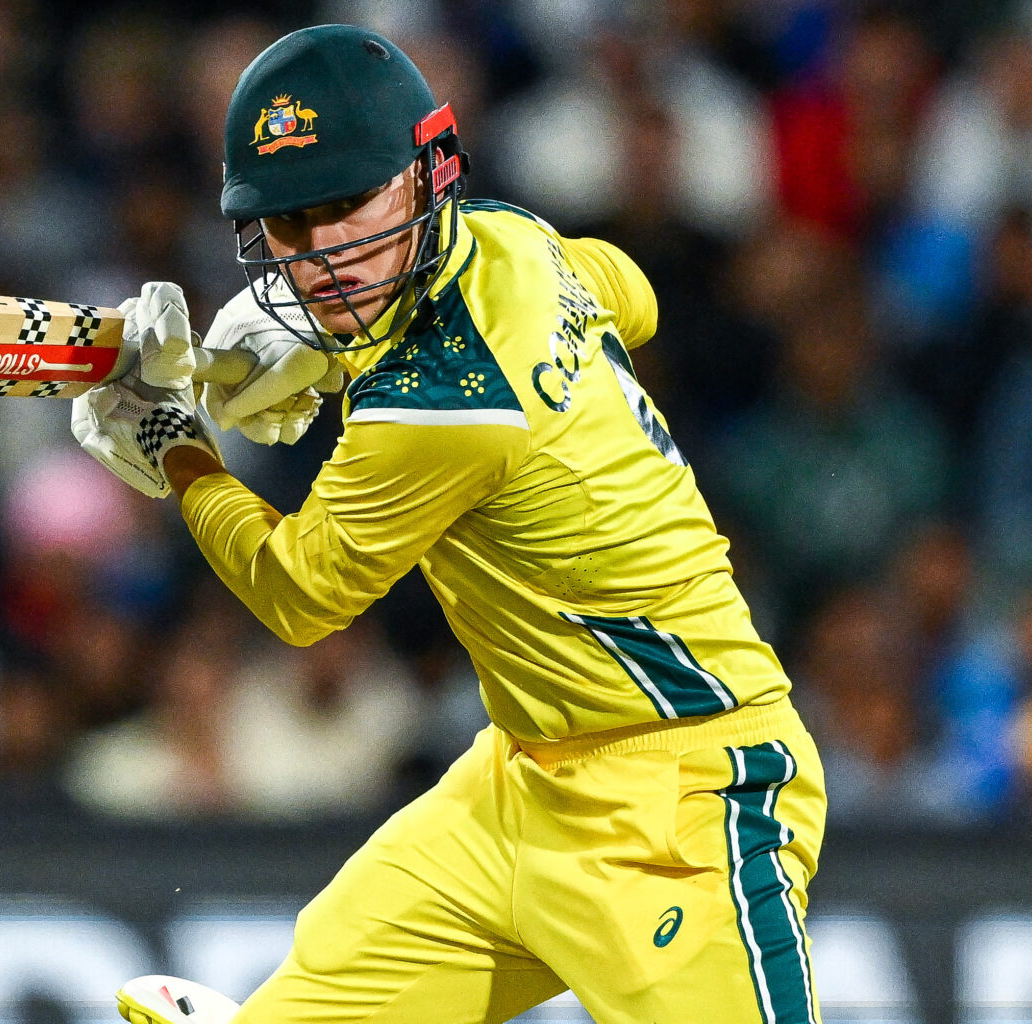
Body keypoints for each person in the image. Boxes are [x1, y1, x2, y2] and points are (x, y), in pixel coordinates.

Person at [72, 24, 826, 1024]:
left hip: (685, 796)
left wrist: (178, 447)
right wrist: (330, 353)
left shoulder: (445, 404)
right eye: (289, 224)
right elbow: (630, 292)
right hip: (517, 786)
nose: (320, 256)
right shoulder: (515, 239)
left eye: (346, 205)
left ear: (429, 173)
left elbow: (299, 595)